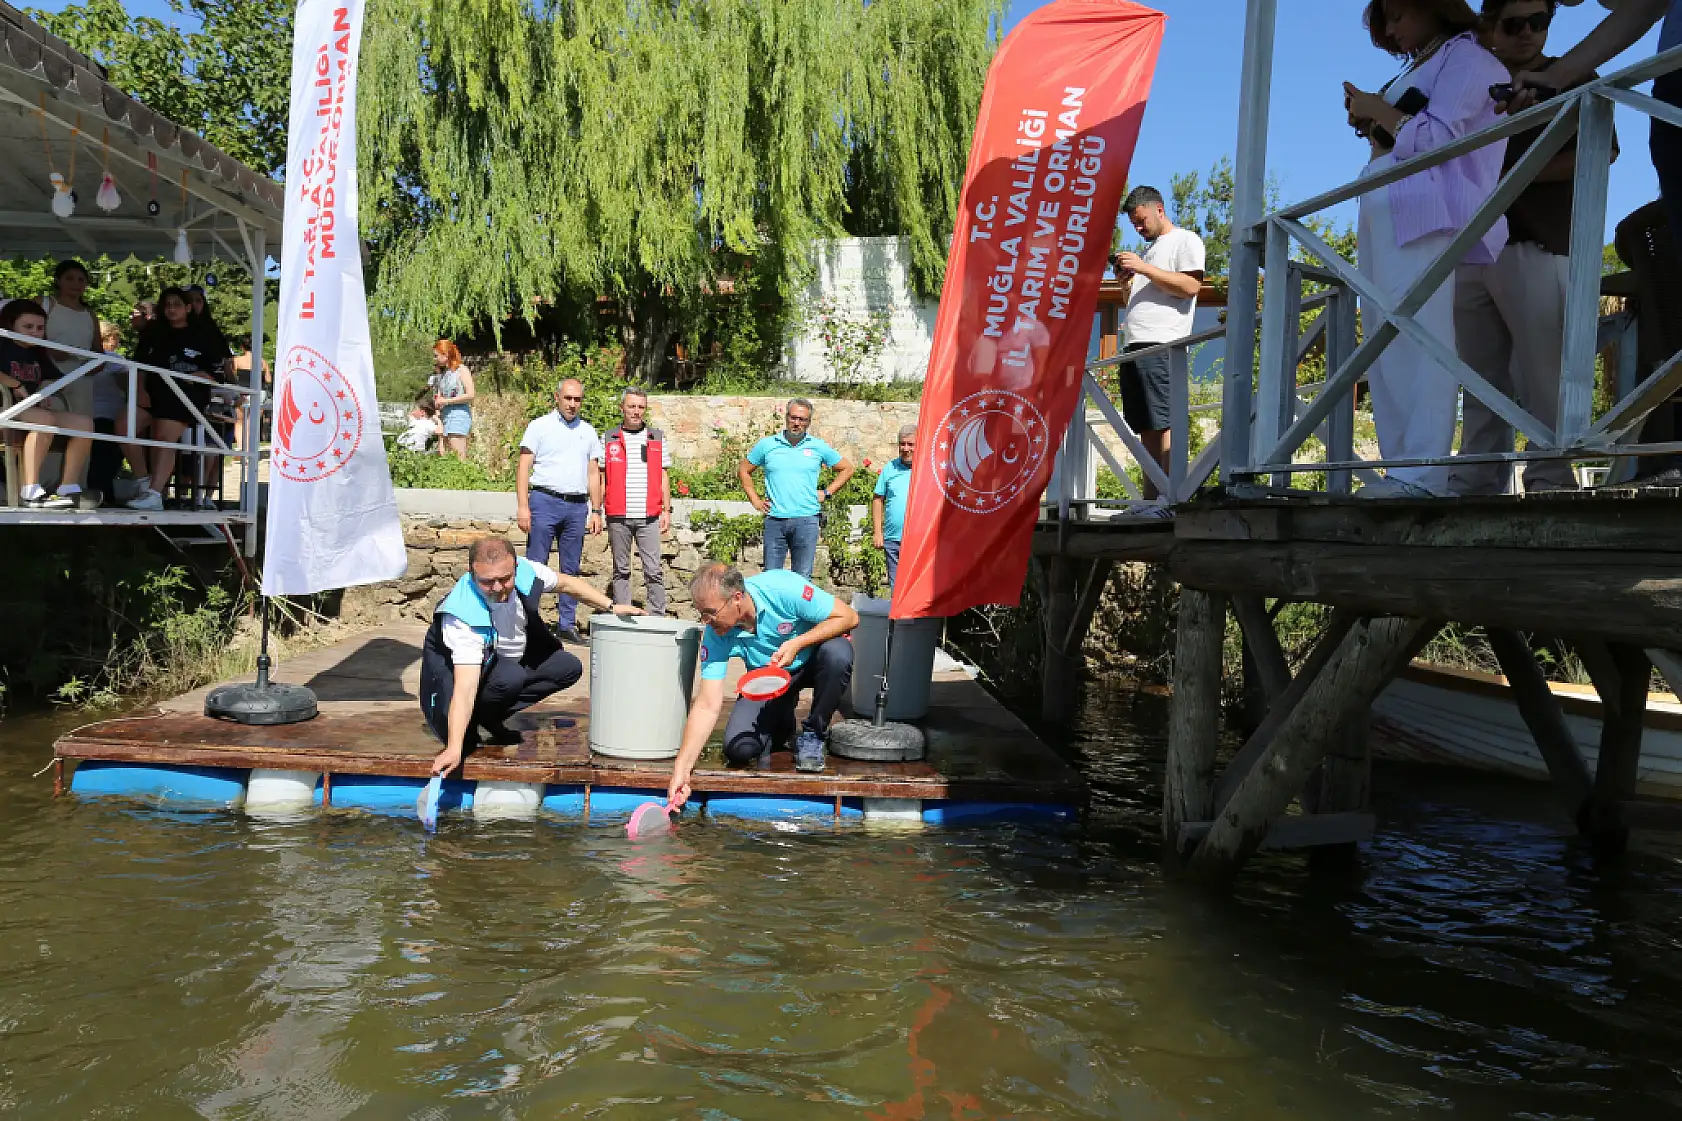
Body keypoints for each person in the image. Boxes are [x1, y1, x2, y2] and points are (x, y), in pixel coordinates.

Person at [1344, 0, 1508, 498]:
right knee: (1385, 336)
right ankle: (1405, 470)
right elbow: (1401, 137)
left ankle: (1426, 474)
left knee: (1420, 335)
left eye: (1398, 14)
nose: (1392, 29)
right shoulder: (1425, 64)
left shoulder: (1469, 58)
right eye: (1385, 21)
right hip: (1387, 206)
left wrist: (1379, 111)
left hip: (1425, 210)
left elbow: (1439, 138)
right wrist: (1373, 120)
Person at [1451, 0, 1614, 496]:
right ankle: (1477, 480)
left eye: (1539, 21)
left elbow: (1601, 151)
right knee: (1478, 381)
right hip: (1472, 244)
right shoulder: (1470, 84)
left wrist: (1508, 180)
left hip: (1537, 240)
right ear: (1489, 28)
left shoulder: (1576, 75)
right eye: (1513, 24)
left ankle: (1551, 482)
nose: (1528, 33)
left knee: (1547, 378)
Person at [421, 536, 641, 776]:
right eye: (487, 582)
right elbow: (464, 687)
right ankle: (473, 723)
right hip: (447, 697)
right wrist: (454, 748)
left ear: (515, 566)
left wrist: (611, 606)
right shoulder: (462, 615)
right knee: (510, 677)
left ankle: (488, 716)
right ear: (471, 572)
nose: (497, 588)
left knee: (567, 667)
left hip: (500, 667)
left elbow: (567, 584)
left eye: (505, 579)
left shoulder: (526, 571)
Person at [666, 563, 859, 797]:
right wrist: (682, 768)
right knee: (739, 750)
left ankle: (814, 734)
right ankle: (783, 723)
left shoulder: (783, 588)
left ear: (736, 598)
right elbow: (707, 704)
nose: (706, 621)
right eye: (701, 614)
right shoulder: (715, 634)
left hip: (811, 661)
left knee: (838, 654)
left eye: (710, 612)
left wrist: (799, 643)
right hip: (769, 680)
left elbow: (849, 616)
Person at [1111, 186, 1206, 497]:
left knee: (1163, 422)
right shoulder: (1149, 253)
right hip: (1136, 344)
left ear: (1159, 210)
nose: (1139, 229)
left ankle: (1169, 496)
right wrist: (1127, 283)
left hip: (1164, 344)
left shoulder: (1185, 240)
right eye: (1134, 224)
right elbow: (1135, 303)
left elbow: (1191, 286)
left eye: (1141, 221)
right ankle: (1151, 499)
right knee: (1145, 425)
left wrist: (1143, 268)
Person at [124, 286, 231, 510]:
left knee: (163, 436)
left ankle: (154, 494)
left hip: (185, 396)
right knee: (124, 424)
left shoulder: (204, 334)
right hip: (152, 394)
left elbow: (219, 372)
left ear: (188, 308)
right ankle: (144, 481)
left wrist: (206, 376)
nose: (171, 309)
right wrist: (140, 391)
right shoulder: (154, 332)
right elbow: (140, 366)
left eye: (177, 305)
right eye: (167, 305)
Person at [516, 377, 604, 644]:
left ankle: (566, 625)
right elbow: (523, 467)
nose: (572, 404)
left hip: (577, 506)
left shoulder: (588, 431)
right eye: (568, 398)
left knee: (570, 569)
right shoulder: (539, 426)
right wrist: (522, 506)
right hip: (544, 501)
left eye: (577, 399)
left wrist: (596, 510)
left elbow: (593, 472)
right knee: (534, 565)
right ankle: (526, 624)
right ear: (557, 398)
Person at [738, 398, 854, 577]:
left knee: (802, 578)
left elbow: (847, 468)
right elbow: (744, 470)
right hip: (775, 519)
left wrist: (826, 493)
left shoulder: (817, 446)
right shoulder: (767, 445)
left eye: (802, 420)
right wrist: (755, 500)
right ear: (786, 418)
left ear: (808, 422)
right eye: (793, 418)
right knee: (771, 577)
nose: (797, 423)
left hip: (806, 520)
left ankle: (799, 607)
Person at [0, 299, 98, 509]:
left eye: (40, 328)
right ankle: (30, 490)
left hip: (28, 409)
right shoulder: (3, 343)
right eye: (28, 327)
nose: (35, 333)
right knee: (45, 419)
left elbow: (56, 380)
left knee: (84, 424)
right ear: (11, 325)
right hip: (5, 407)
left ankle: (68, 487)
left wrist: (47, 391)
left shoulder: (39, 351)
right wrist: (15, 383)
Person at [602, 385, 672, 616]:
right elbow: (600, 476)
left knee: (653, 569)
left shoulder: (657, 437)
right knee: (621, 570)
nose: (636, 411)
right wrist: (597, 509)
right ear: (622, 408)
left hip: (649, 515)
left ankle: (657, 617)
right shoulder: (608, 437)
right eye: (631, 406)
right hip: (618, 515)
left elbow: (663, 475)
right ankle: (624, 616)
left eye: (641, 407)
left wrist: (666, 510)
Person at [87, 320, 128, 500]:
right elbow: (128, 385)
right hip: (111, 417)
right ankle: (106, 496)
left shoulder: (82, 356)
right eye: (115, 338)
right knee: (109, 460)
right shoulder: (115, 360)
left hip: (87, 414)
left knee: (92, 460)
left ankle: (95, 493)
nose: (116, 343)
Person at [872, 425, 916, 590]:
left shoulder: (926, 469)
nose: (906, 449)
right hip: (893, 539)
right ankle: (897, 617)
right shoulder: (890, 468)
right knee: (896, 586)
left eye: (911, 444)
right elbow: (878, 499)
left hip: (919, 539)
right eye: (902, 444)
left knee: (915, 587)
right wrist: (878, 532)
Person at [430, 340, 475, 460]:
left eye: (436, 355)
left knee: (458, 458)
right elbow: (440, 397)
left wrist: (446, 401)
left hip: (458, 416)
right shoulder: (444, 374)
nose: (435, 359)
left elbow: (470, 395)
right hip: (446, 416)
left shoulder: (461, 370)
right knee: (444, 456)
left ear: (445, 355)